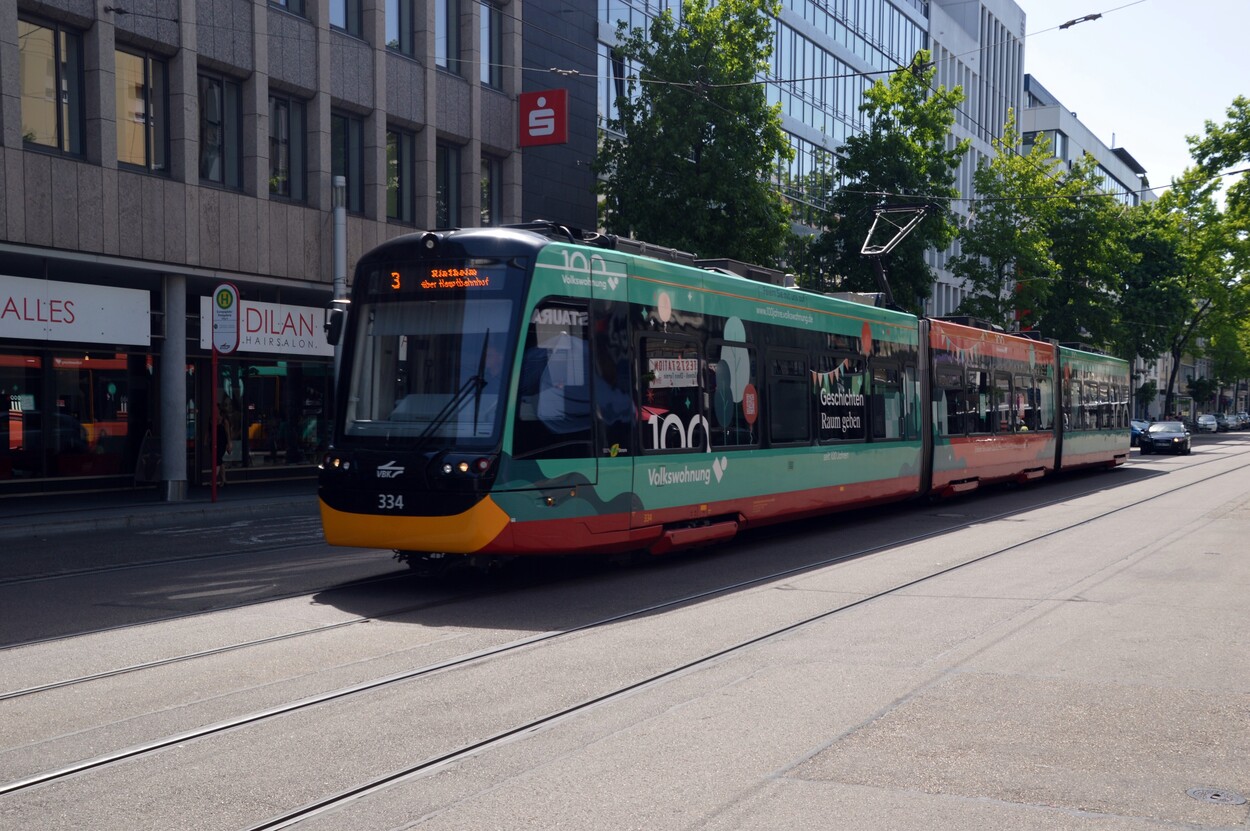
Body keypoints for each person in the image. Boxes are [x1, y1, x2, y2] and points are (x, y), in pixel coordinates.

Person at [215, 403, 232, 487]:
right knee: (220, 461)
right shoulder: (212, 419)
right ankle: (223, 479)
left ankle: (213, 478)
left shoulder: (224, 421)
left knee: (218, 459)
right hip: (214, 442)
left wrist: (229, 443)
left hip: (222, 442)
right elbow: (209, 430)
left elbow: (227, 433)